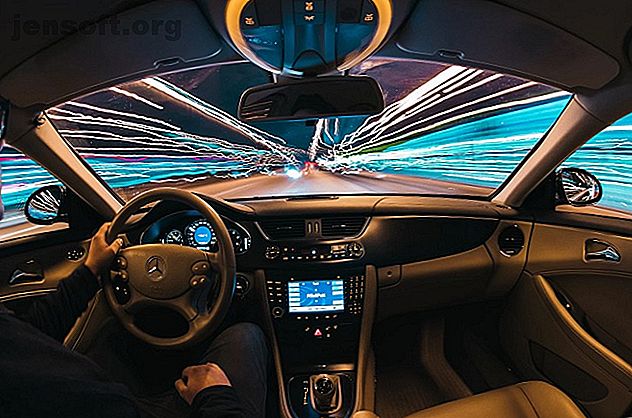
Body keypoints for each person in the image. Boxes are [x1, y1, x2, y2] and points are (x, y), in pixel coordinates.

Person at [0, 222, 269, 418]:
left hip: (104, 399)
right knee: (245, 335)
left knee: (114, 336)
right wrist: (215, 397)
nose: (1, 207)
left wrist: (91, 269)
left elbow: (28, 334)